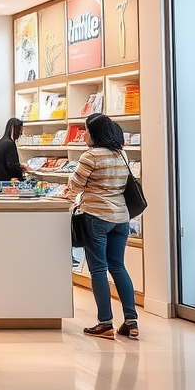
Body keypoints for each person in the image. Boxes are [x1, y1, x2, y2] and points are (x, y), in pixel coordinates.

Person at [64, 113, 139, 340]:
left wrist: (67, 193)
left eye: (86, 130)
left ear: (95, 133)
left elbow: (75, 185)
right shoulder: (121, 154)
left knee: (98, 269)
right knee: (118, 267)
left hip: (96, 216)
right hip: (121, 218)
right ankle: (131, 321)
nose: (84, 134)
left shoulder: (90, 156)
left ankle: (105, 323)